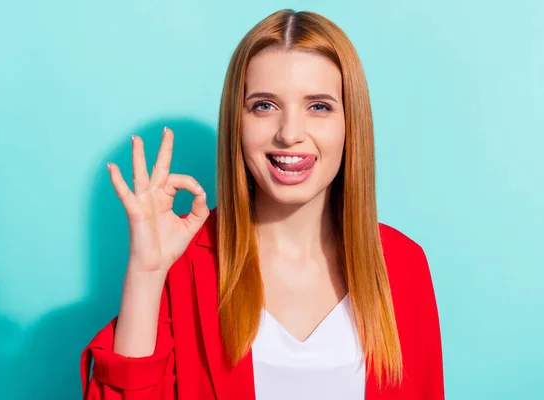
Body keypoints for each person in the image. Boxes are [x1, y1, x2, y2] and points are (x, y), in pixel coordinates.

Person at [80, 8, 444, 400]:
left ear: (349, 123)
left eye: (318, 106)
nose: (289, 134)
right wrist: (147, 273)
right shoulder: (185, 264)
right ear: (237, 121)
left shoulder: (403, 266)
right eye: (264, 105)